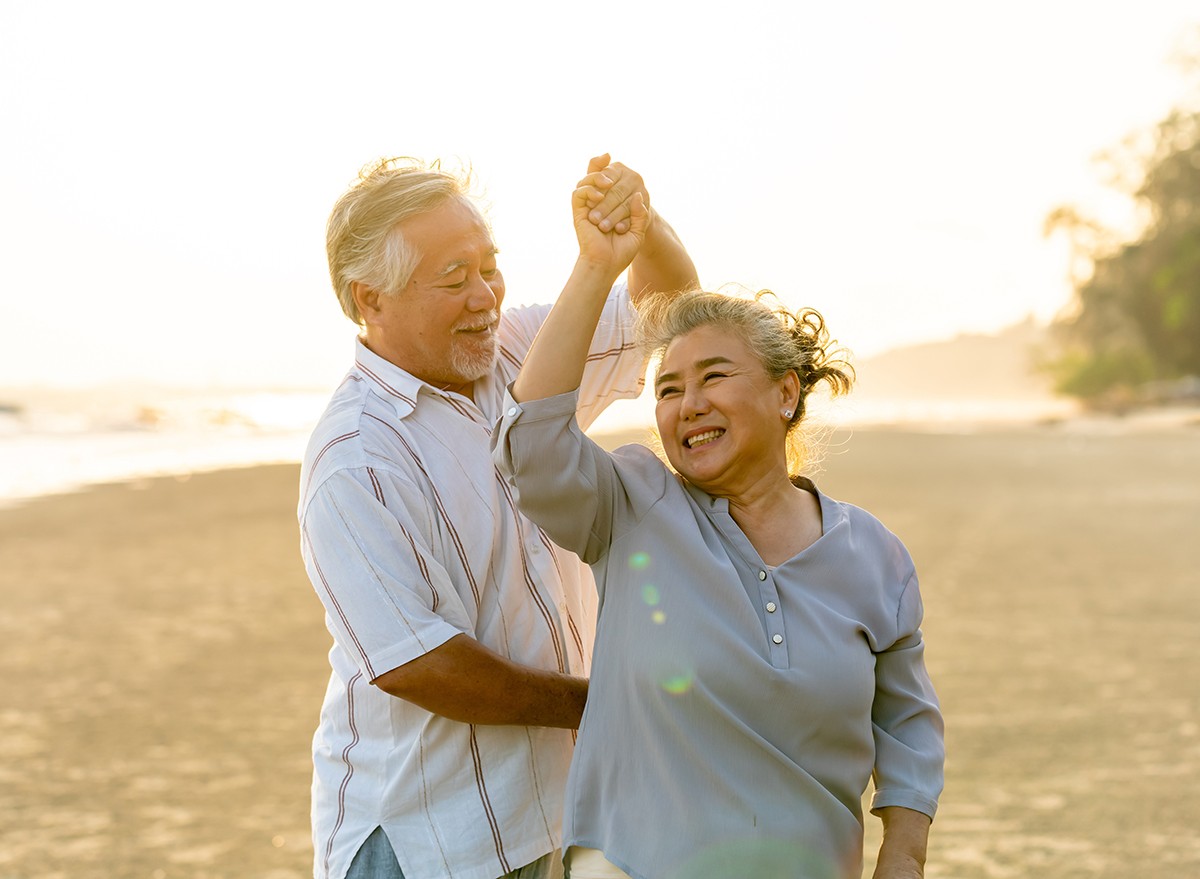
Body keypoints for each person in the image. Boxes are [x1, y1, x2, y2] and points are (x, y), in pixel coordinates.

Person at [494, 225, 945, 874]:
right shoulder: (632, 502)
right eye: (668, 389)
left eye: (714, 376)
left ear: (785, 393)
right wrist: (597, 266)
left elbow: (907, 726)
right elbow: (531, 443)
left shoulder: (873, 554)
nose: (689, 404)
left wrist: (904, 852)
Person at [298, 155, 695, 879]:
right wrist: (604, 701)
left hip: (555, 811)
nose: (483, 295)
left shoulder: (515, 352)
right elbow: (422, 665)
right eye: (454, 278)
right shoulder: (354, 456)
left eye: (489, 266)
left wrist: (640, 225)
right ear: (370, 300)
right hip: (430, 842)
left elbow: (667, 314)